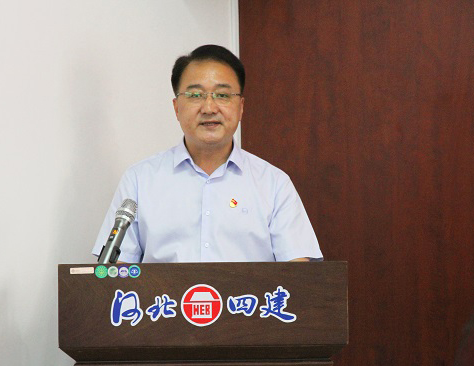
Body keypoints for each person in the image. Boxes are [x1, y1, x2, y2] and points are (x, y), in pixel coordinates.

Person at [91, 44, 322, 264]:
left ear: (241, 107)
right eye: (195, 95)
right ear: (176, 108)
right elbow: (114, 272)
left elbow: (297, 273)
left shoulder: (274, 184)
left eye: (222, 95)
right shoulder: (139, 180)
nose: (209, 108)